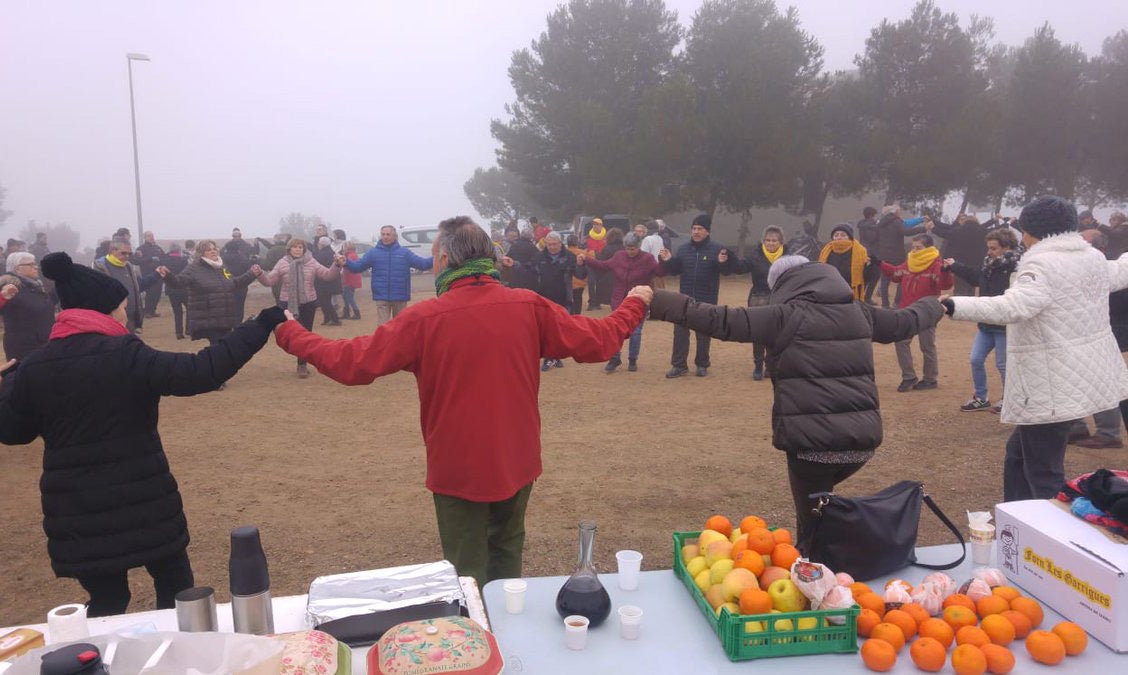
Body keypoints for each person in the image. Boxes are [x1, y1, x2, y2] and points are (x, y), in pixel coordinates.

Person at [271, 216, 651, 587]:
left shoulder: (424, 318)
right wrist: (635, 303)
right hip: (517, 461)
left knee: (467, 573)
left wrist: (291, 332)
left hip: (458, 468)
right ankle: (505, 630)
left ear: (445, 259)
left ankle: (479, 639)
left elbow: (351, 362)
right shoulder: (527, 306)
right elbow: (600, 339)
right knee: (506, 554)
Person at [0, 251, 285, 617]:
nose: (125, 314)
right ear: (103, 311)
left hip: (77, 510)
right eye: (121, 307)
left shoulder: (36, 365)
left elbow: (13, 430)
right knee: (177, 595)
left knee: (106, 604)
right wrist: (261, 324)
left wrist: (9, 383)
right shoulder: (125, 353)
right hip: (146, 503)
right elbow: (202, 371)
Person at [649, 255, 943, 546]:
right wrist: (935, 304)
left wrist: (658, 300)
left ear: (783, 285)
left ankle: (817, 569)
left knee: (812, 524)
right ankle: (829, 550)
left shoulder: (785, 315)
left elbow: (721, 320)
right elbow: (905, 321)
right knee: (822, 507)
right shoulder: (859, 311)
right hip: (862, 442)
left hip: (811, 446)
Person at [942, 196, 1128, 501]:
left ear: (1037, 232)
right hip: (1076, 379)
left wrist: (953, 304)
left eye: (1025, 230)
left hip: (1050, 386)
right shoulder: (1090, 257)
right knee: (1018, 455)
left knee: (1043, 472)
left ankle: (1047, 533)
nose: (1022, 238)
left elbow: (1013, 306)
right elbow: (1120, 271)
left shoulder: (1040, 264)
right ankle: (1016, 516)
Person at [946, 229, 1020, 412]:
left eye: (993, 248)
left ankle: (1009, 400)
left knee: (1002, 365)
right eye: (989, 248)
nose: (989, 252)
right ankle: (981, 397)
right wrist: (954, 266)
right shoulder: (989, 264)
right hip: (986, 323)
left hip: (1004, 325)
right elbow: (975, 277)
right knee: (975, 359)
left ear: (1007, 247)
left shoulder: (1017, 268)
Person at [1067, 229, 1126, 449]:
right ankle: (1077, 425)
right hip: (1080, 333)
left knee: (1102, 382)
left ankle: (1109, 433)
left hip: (1104, 334)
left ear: (1098, 248)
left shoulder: (1107, 270)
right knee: (1074, 378)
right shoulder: (1079, 269)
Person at [255, 238, 344, 378]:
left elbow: (328, 275)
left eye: (300, 247)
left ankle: (302, 365)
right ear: (289, 249)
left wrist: (337, 265)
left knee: (305, 334)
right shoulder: (282, 263)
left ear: (304, 249)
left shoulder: (311, 262)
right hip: (287, 303)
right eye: (295, 247)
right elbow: (269, 281)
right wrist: (260, 274)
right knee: (290, 333)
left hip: (308, 303)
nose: (298, 249)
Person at [875, 234, 953, 391]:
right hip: (907, 310)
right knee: (901, 342)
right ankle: (909, 377)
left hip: (927, 310)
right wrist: (879, 263)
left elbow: (945, 284)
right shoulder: (909, 262)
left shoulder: (936, 264)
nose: (915, 250)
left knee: (927, 345)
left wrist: (945, 271)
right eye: (913, 247)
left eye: (919, 247)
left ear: (929, 248)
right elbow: (896, 274)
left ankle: (930, 379)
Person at [501, 231, 586, 371]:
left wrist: (581, 265)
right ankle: (549, 357)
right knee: (546, 330)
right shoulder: (539, 257)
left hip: (564, 298)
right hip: (545, 298)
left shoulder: (570, 257)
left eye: (554, 244)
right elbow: (528, 270)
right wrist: (514, 264)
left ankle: (556, 355)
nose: (551, 247)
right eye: (549, 244)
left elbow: (580, 275)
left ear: (560, 243)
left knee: (561, 329)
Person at [578, 232, 662, 372]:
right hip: (619, 300)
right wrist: (587, 259)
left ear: (639, 246)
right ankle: (614, 358)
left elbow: (660, 271)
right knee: (615, 330)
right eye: (627, 248)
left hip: (639, 300)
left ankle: (633, 359)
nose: (630, 252)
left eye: (633, 248)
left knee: (635, 332)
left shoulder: (648, 259)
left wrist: (665, 260)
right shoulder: (619, 256)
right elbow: (603, 265)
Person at [158, 240, 263, 351]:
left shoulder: (222, 268)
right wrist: (168, 276)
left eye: (214, 249)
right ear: (201, 253)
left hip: (225, 318)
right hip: (209, 319)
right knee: (220, 350)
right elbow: (178, 282)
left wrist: (251, 274)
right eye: (208, 250)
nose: (213, 251)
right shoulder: (194, 268)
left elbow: (234, 283)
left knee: (223, 349)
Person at [658, 213, 726, 378]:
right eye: (694, 228)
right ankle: (679, 365)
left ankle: (702, 364)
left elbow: (725, 270)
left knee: (703, 333)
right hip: (685, 299)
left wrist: (723, 262)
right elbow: (675, 270)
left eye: (700, 229)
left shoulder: (716, 249)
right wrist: (667, 261)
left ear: (707, 231)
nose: (696, 232)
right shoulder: (683, 249)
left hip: (706, 299)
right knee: (680, 332)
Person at [722, 226, 786, 380]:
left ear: (781, 242)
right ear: (763, 241)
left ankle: (771, 366)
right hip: (758, 298)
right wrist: (730, 257)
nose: (770, 243)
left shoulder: (788, 257)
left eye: (774, 240)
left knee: (776, 334)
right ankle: (758, 366)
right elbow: (740, 268)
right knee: (758, 334)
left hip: (780, 298)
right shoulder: (755, 255)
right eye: (768, 240)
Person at [345, 226, 433, 326]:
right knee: (382, 328)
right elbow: (357, 267)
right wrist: (345, 262)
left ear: (394, 236)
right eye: (383, 234)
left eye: (388, 234)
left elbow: (423, 264)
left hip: (400, 296)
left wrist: (437, 257)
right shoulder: (373, 253)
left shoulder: (405, 253)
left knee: (400, 327)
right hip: (381, 296)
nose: (385, 237)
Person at [92, 238, 160, 333]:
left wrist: (157, 275)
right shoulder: (100, 268)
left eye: (130, 253)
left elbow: (139, 286)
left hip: (131, 324)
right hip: (111, 324)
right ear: (112, 250)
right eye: (123, 253)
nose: (127, 256)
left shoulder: (129, 267)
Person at [0, 253, 54, 360]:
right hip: (23, 350)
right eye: (31, 264)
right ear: (17, 269)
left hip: (44, 345)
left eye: (35, 263)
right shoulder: (9, 287)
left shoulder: (35, 286)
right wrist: (3, 297)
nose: (36, 267)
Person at [874, 205, 928, 308]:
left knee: (885, 279)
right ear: (895, 213)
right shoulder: (896, 221)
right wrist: (924, 228)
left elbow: (876, 238)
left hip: (883, 254)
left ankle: (885, 304)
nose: (900, 213)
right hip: (897, 254)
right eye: (899, 211)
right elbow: (906, 232)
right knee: (902, 278)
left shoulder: (880, 223)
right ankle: (897, 302)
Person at [926, 214, 987, 296]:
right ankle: (971, 303)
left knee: (960, 287)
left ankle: (960, 303)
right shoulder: (983, 231)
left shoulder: (958, 230)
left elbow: (944, 234)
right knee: (972, 285)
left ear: (965, 222)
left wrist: (933, 228)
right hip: (977, 263)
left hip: (960, 263)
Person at [817, 224, 869, 300]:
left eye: (843, 235)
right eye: (836, 235)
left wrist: (870, 267)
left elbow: (866, 277)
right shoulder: (826, 251)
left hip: (850, 292)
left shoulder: (860, 252)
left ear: (849, 237)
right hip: (829, 292)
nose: (839, 237)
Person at [221, 228, 257, 323]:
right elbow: (250, 272)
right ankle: (237, 324)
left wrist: (227, 279)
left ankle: (229, 324)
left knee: (227, 306)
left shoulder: (222, 260)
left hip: (226, 286)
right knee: (239, 306)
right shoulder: (243, 258)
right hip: (241, 286)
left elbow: (222, 272)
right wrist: (246, 282)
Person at [313, 237, 343, 326]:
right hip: (331, 282)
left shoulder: (321, 254)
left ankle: (335, 319)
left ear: (321, 244)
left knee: (325, 302)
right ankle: (327, 318)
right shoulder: (332, 253)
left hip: (323, 282)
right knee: (325, 301)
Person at [163, 242, 191, 339]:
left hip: (171, 289)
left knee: (177, 312)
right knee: (189, 309)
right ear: (179, 250)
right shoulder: (184, 260)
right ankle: (188, 329)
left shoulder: (165, 261)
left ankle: (179, 333)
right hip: (183, 288)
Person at [137, 231, 166, 318]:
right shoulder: (141, 249)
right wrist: (150, 259)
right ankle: (147, 311)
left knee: (157, 293)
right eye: (149, 236)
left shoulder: (157, 248)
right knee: (150, 293)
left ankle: (153, 310)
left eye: (152, 235)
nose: (151, 237)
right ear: (144, 238)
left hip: (159, 273)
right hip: (147, 274)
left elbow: (164, 257)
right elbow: (137, 261)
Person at [594, 228, 624, 308]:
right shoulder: (624, 248)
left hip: (608, 275)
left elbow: (601, 261)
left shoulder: (607, 248)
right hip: (622, 274)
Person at [856, 207, 881, 304]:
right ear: (871, 215)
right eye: (875, 215)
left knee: (867, 276)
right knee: (874, 275)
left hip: (866, 252)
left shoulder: (863, 225)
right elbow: (871, 238)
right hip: (871, 253)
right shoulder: (870, 226)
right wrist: (878, 229)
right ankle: (865, 298)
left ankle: (862, 297)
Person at [585, 219, 608, 309]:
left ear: (601, 225)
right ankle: (592, 302)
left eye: (598, 224)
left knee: (600, 283)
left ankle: (597, 302)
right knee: (591, 282)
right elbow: (584, 248)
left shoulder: (606, 237)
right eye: (594, 224)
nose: (595, 226)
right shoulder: (588, 237)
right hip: (590, 263)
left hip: (601, 263)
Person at [565, 234, 588, 315]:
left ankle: (570, 316)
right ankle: (578, 315)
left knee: (569, 300)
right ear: (577, 242)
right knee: (578, 299)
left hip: (568, 283)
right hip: (580, 282)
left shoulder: (564, 253)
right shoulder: (582, 253)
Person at [341, 241, 363, 320]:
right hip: (351, 278)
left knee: (349, 297)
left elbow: (348, 266)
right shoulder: (352, 255)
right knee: (345, 296)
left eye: (344, 246)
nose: (343, 248)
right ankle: (347, 312)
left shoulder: (350, 256)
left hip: (350, 279)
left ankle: (356, 313)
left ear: (347, 247)